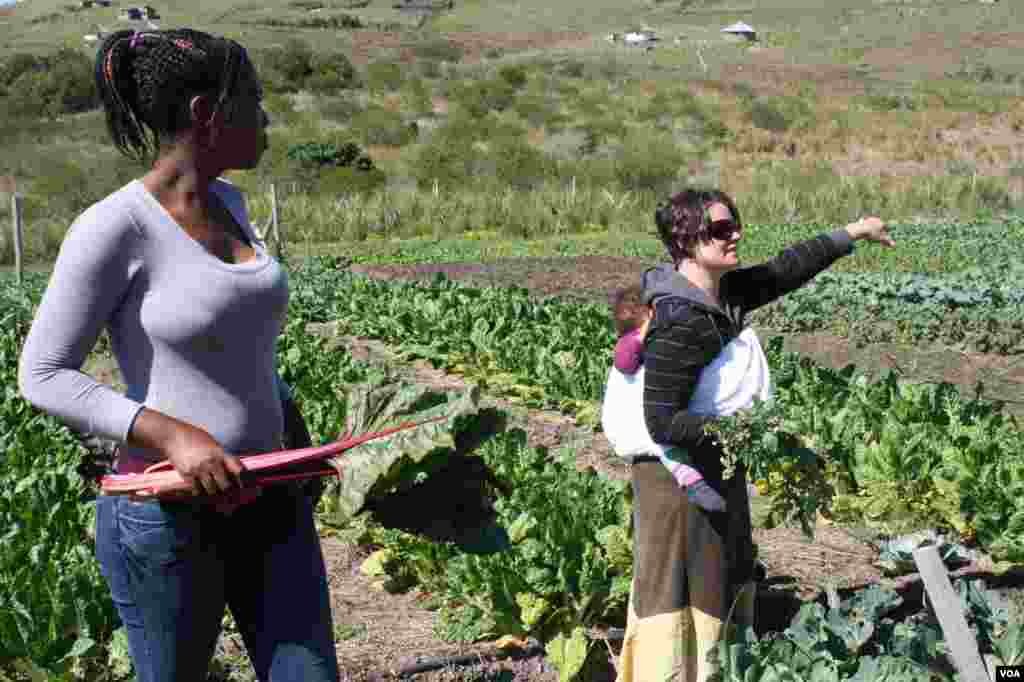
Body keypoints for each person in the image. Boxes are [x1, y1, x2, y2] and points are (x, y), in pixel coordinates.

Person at [17, 29, 339, 682]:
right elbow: (42, 375)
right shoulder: (114, 227)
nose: (266, 117)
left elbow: (234, 345)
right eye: (252, 100)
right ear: (204, 113)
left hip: (271, 497)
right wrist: (174, 435)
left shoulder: (234, 206)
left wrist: (287, 417)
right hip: (165, 517)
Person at [616, 188, 894, 682]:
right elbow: (662, 421)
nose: (737, 234)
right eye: (722, 229)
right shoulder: (680, 321)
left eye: (735, 222)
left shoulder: (722, 295)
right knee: (682, 592)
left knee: (720, 578)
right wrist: (745, 430)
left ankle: (718, 671)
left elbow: (786, 268)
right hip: (675, 480)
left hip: (712, 460)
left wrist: (855, 232)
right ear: (685, 240)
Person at [603, 286, 727, 512]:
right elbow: (625, 364)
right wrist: (643, 337)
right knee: (666, 447)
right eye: (653, 312)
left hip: (649, 413)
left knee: (669, 446)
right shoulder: (629, 341)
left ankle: (695, 482)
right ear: (645, 315)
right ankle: (694, 484)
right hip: (633, 418)